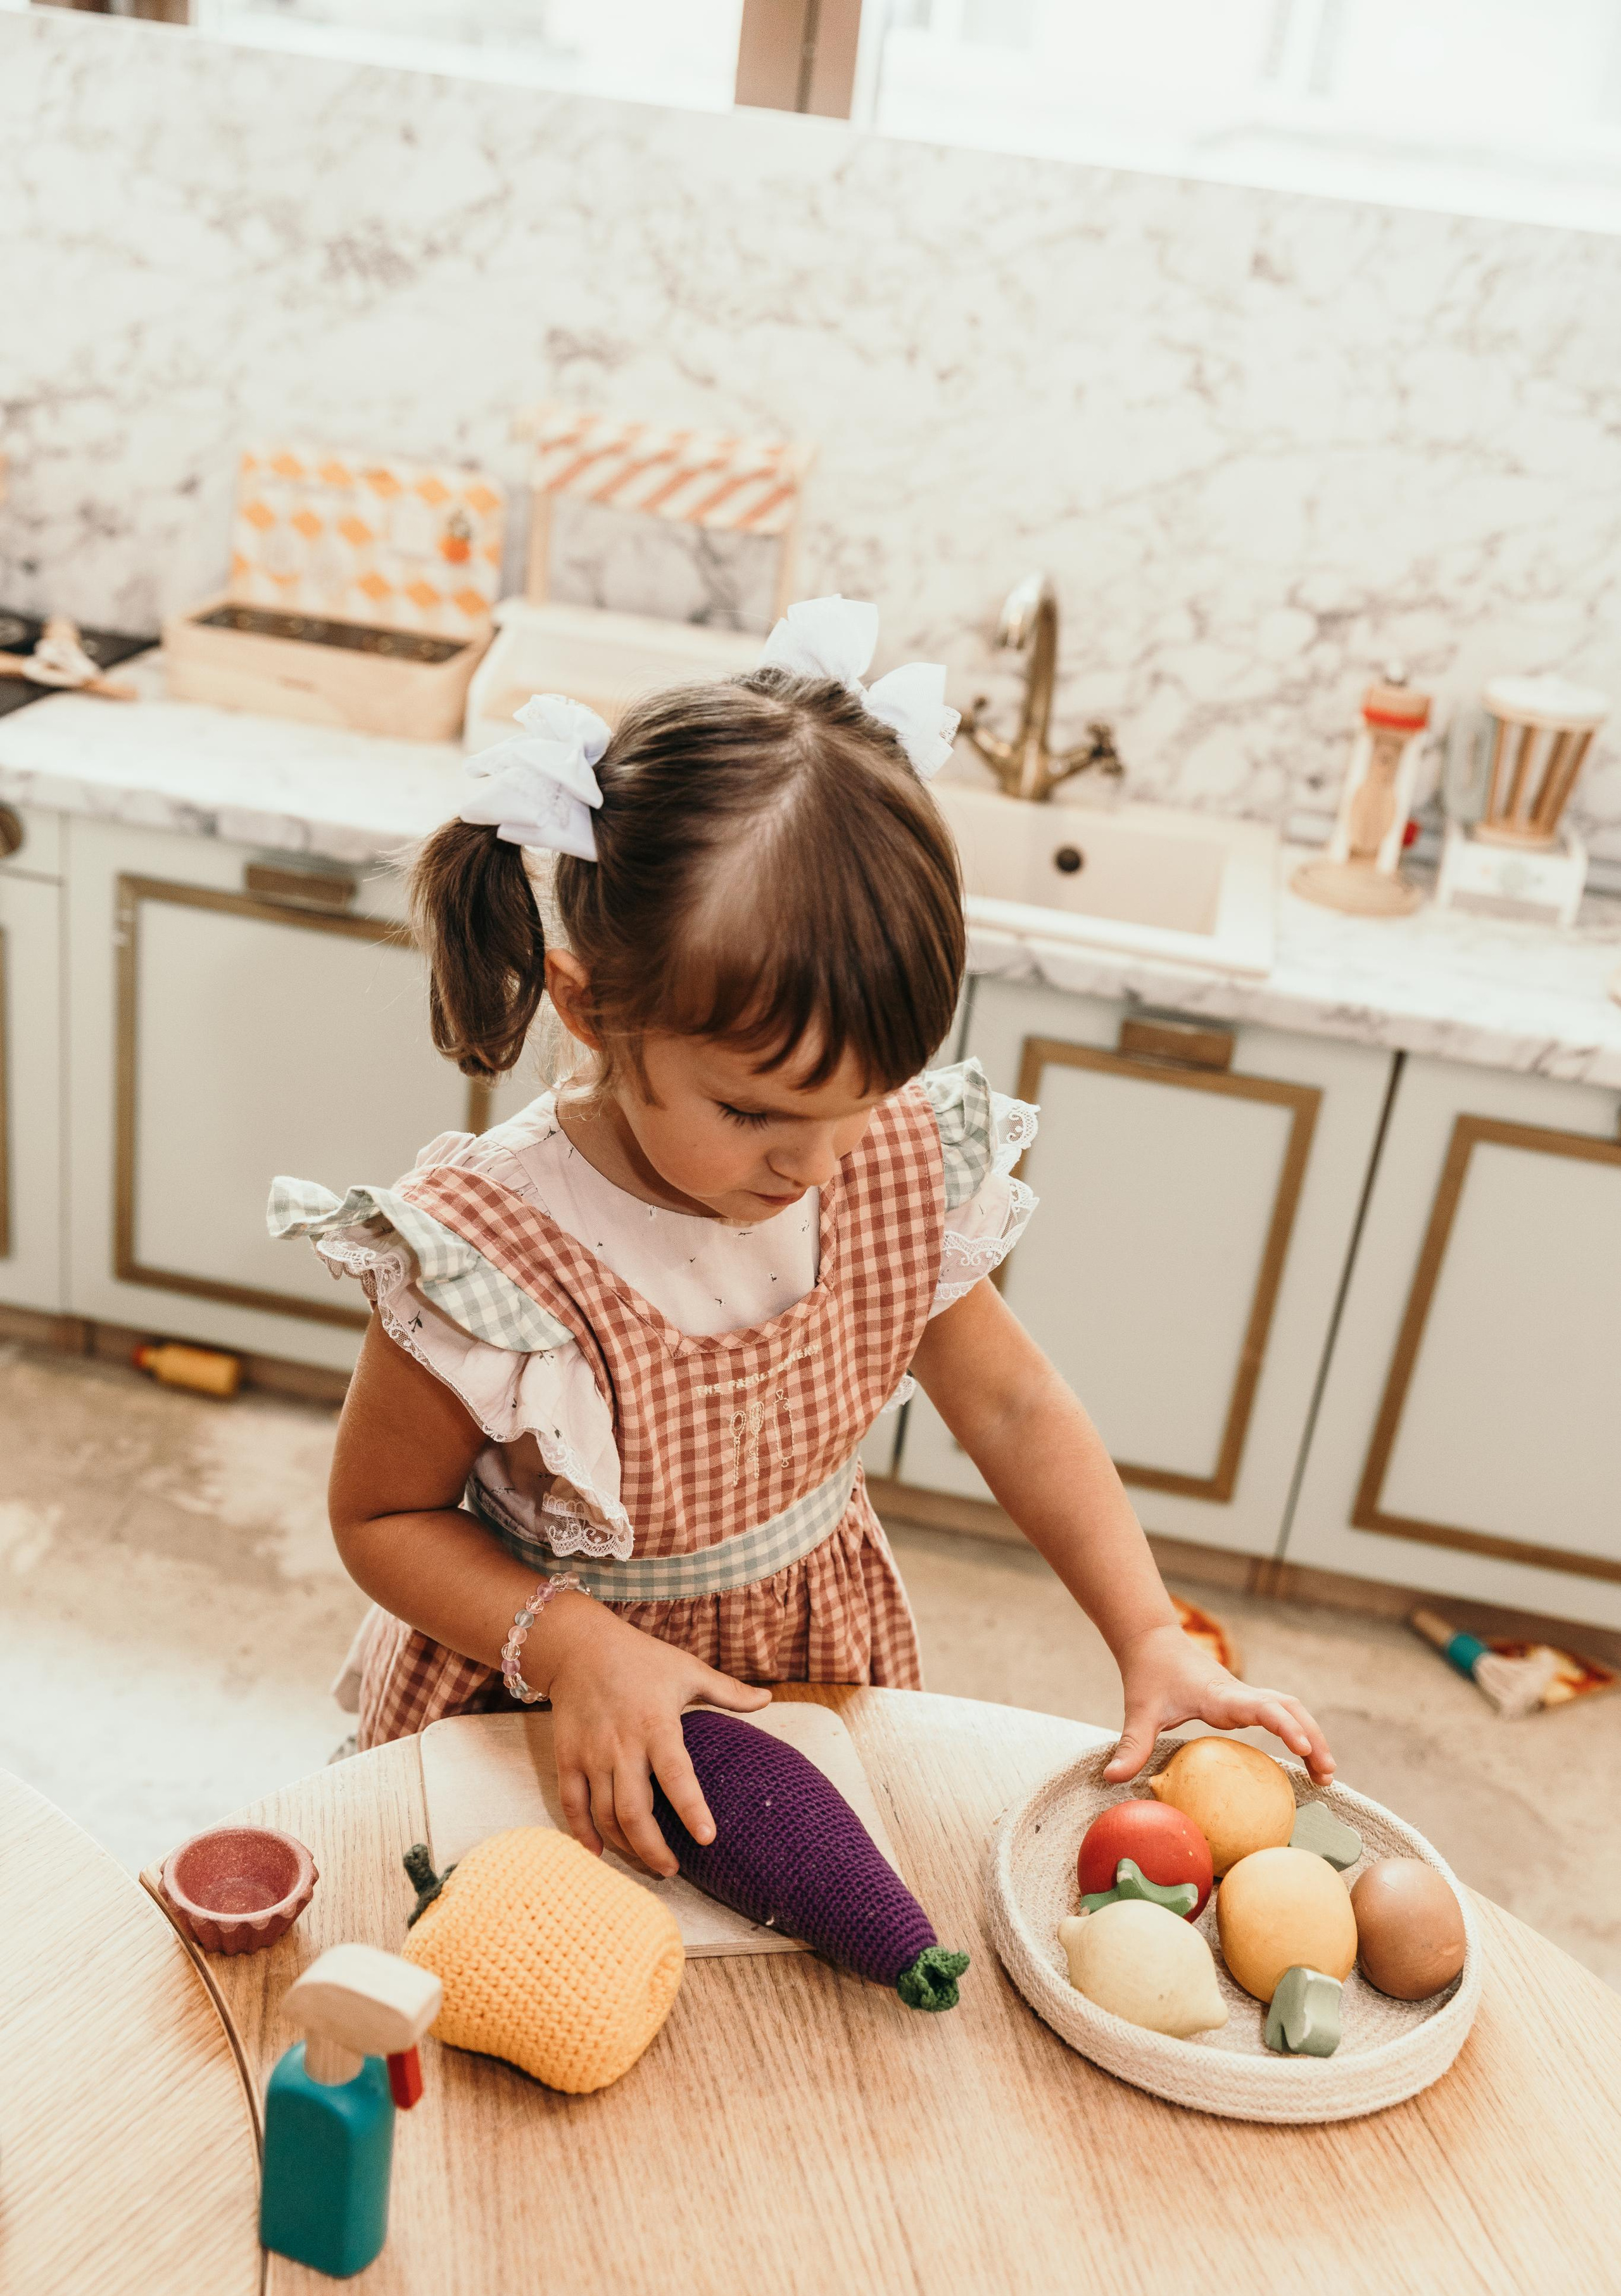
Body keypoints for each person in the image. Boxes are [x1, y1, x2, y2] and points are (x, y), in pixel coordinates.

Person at [273, 597, 1332, 1881]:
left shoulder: (881, 1167)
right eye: (753, 1111)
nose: (811, 1164)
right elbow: (381, 1515)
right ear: (592, 1009)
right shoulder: (489, 1251)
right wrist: (575, 1647)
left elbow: (1005, 1406)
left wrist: (1150, 1634)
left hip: (806, 1667)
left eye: (861, 1101)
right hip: (551, 1701)